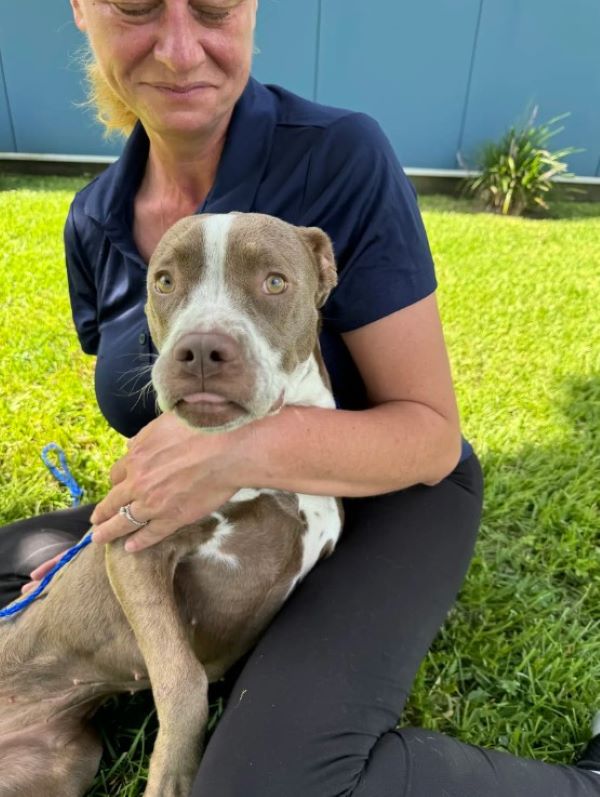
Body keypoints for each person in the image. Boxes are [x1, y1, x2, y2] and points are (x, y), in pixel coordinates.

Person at [0, 1, 598, 794]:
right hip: (220, 497)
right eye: (138, 4)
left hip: (394, 484)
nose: (180, 50)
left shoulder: (338, 156)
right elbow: (154, 417)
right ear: (81, 8)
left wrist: (245, 447)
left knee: (257, 782)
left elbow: (429, 435)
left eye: (212, 6)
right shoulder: (94, 220)